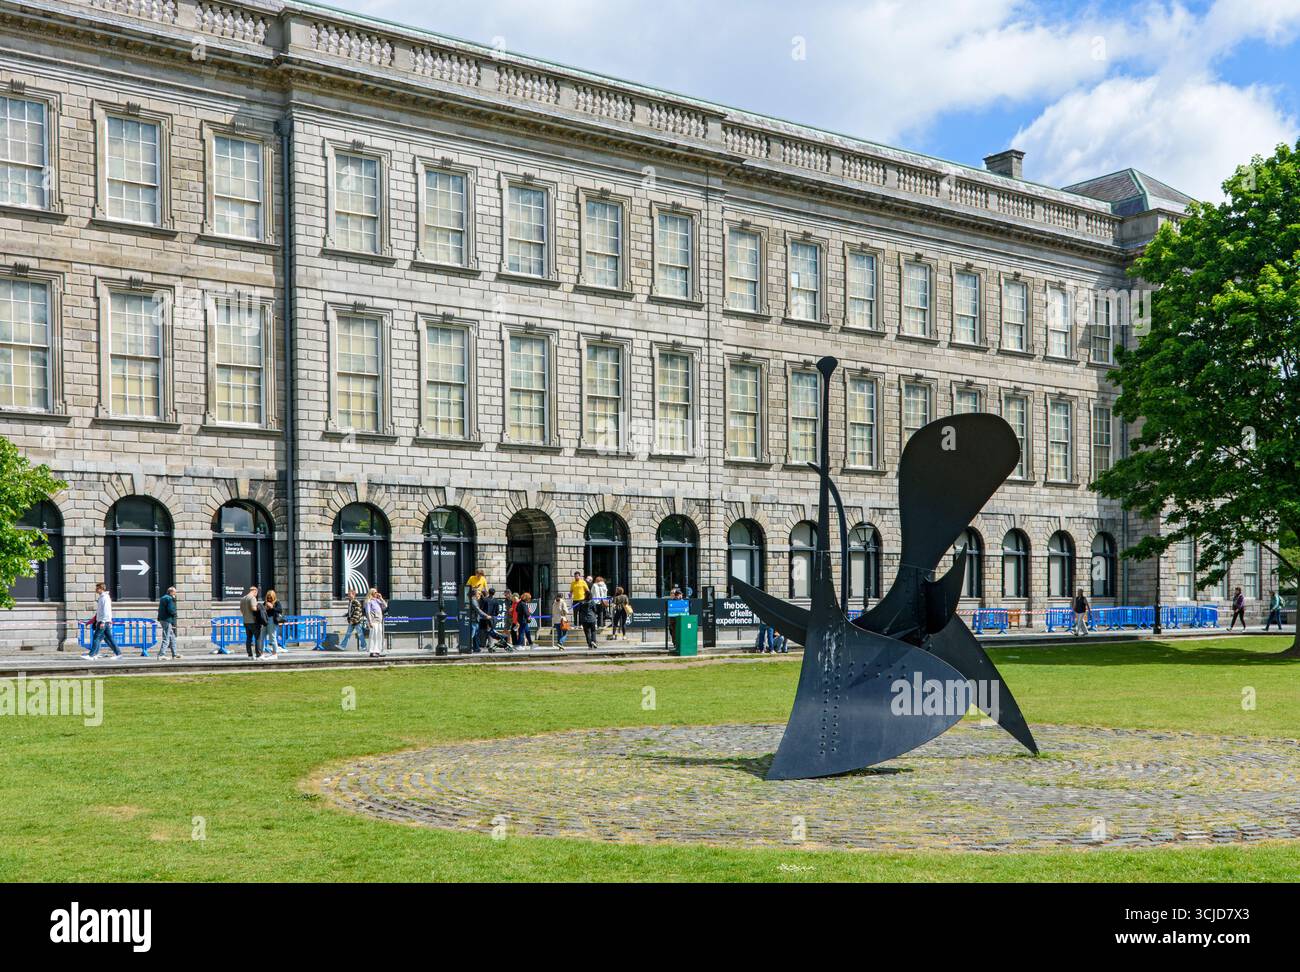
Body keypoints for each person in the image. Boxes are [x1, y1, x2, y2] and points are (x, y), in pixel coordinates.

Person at [84, 582, 122, 660]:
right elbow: (100, 611)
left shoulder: (105, 597)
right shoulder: (102, 597)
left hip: (103, 621)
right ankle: (118, 653)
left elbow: (106, 610)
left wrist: (103, 621)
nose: (96, 590)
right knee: (109, 638)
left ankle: (91, 655)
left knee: (96, 638)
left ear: (101, 589)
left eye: (97, 588)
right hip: (102, 621)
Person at [156, 585, 180, 659]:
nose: (175, 594)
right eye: (175, 592)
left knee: (172, 636)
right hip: (167, 619)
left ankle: (174, 654)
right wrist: (175, 613)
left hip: (162, 619)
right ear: (171, 592)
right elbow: (170, 609)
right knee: (166, 637)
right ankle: (161, 654)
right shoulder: (169, 599)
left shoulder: (163, 598)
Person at [240, 585, 263, 659]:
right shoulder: (252, 598)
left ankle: (250, 655)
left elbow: (241, 610)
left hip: (246, 621)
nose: (256, 595)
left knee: (248, 638)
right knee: (258, 638)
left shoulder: (243, 598)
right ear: (255, 591)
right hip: (253, 621)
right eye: (257, 593)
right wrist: (260, 608)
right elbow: (253, 608)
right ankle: (258, 655)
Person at [259, 590, 284, 657]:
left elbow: (280, 610)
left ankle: (274, 653)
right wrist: (265, 608)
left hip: (272, 620)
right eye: (268, 597)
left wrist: (272, 607)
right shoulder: (265, 602)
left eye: (270, 598)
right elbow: (262, 611)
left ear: (273, 597)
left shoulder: (277, 602)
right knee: (261, 637)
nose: (269, 599)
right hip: (265, 620)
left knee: (272, 637)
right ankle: (261, 653)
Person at [364, 587, 387, 657]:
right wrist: (370, 622)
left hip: (379, 621)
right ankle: (372, 651)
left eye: (377, 592)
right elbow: (367, 612)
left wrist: (381, 598)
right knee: (373, 636)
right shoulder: (368, 601)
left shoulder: (377, 600)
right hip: (373, 621)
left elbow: (385, 606)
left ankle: (377, 651)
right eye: (375, 592)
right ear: (371, 593)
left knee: (379, 636)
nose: (377, 593)